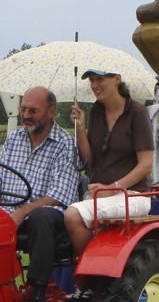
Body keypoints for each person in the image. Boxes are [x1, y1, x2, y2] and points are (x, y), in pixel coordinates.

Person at [0, 87, 80, 302]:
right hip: (10, 213)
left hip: (49, 217)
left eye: (33, 111)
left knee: (42, 218)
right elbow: (0, 184)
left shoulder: (65, 144)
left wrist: (21, 213)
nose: (26, 115)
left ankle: (36, 294)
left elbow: (59, 195)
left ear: (52, 112)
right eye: (23, 109)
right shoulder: (14, 139)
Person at [64, 68, 154, 256]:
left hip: (133, 195)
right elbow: (89, 162)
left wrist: (113, 188)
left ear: (117, 79)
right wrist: (80, 128)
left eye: (100, 79)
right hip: (101, 195)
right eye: (91, 80)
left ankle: (87, 281)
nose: (95, 85)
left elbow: (146, 165)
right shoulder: (96, 111)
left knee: (72, 216)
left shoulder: (137, 112)